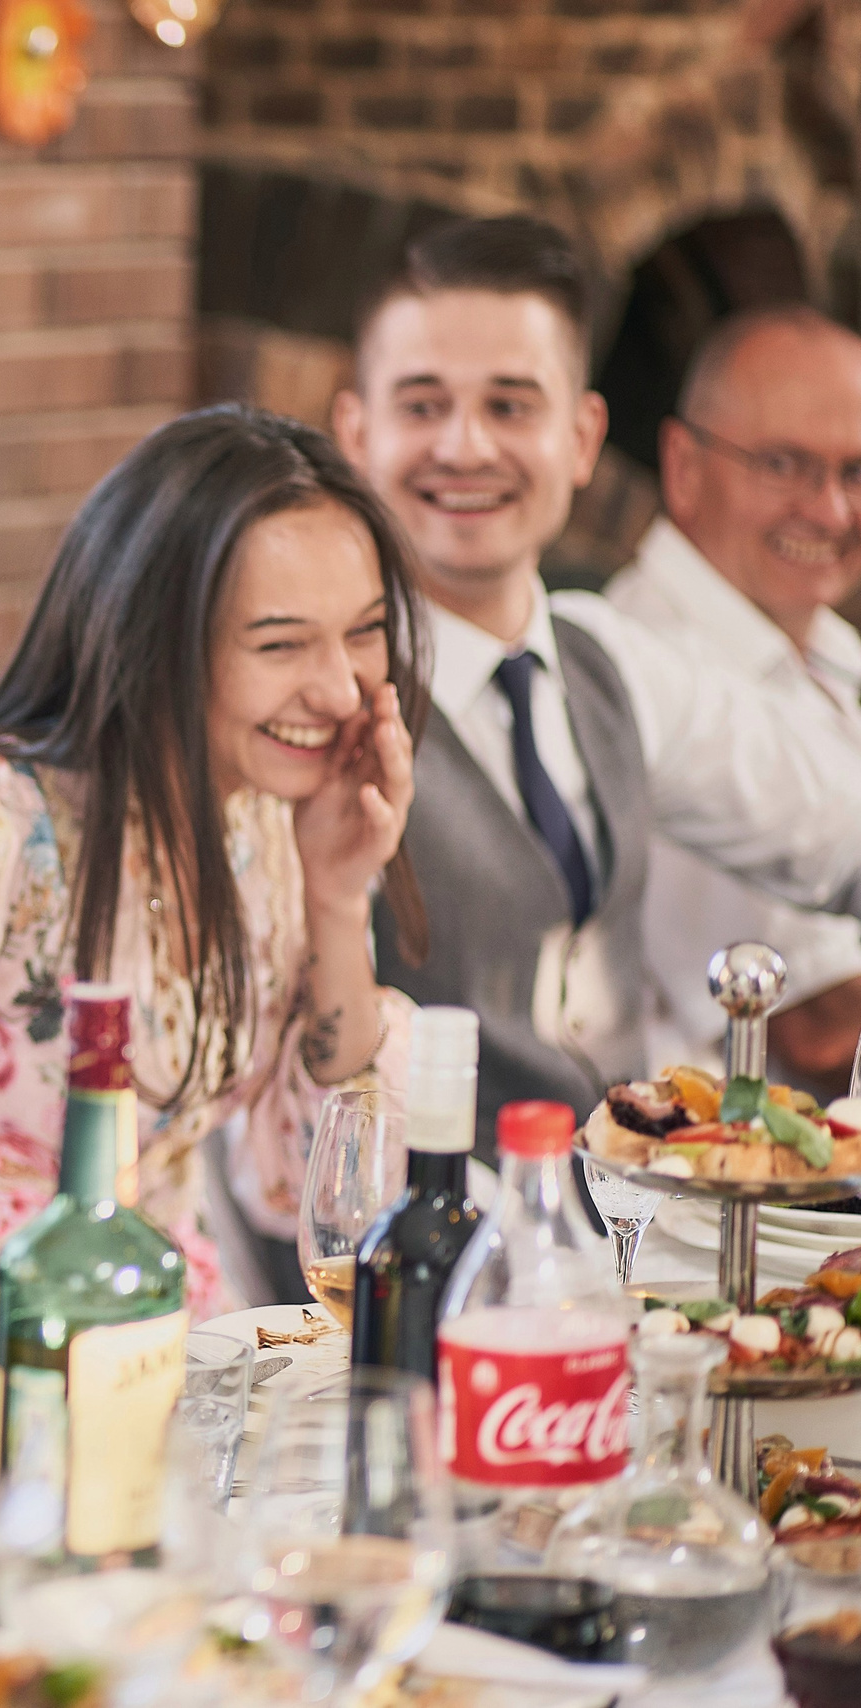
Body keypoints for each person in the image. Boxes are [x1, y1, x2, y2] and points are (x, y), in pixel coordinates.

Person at [0, 406, 426, 1445]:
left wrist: (338, 894)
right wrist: (67, 1426)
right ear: (153, 636)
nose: (337, 691)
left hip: (168, 1401)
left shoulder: (261, 819)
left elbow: (303, 1183)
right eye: (280, 642)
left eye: (364, 631)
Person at [332, 216, 861, 1143]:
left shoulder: (608, 656)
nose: (465, 448)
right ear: (354, 432)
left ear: (581, 440)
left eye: (510, 406)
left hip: (631, 1238)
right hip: (421, 1244)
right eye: (422, 405)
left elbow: (833, 827)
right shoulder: (320, 699)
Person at [606, 305, 861, 1088]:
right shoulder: (641, 669)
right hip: (710, 1183)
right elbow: (809, 1025)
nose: (830, 510)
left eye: (855, 472)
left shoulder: (829, 645)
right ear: (683, 464)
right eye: (784, 464)